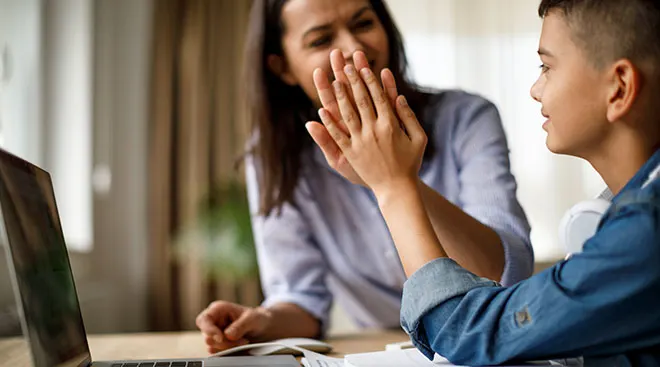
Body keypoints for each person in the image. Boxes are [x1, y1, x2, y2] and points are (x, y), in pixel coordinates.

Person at [311, 0, 660, 365]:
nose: (535, 89)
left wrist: (393, 188)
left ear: (618, 88)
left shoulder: (644, 235)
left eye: (547, 66)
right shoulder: (627, 216)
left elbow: (470, 331)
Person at [196, 0, 533, 353]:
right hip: (381, 352)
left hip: (486, 341)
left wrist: (394, 178)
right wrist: (261, 321)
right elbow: (302, 299)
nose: (354, 48)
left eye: (363, 23)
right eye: (321, 40)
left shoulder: (466, 118)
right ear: (282, 68)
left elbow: (506, 271)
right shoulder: (274, 160)